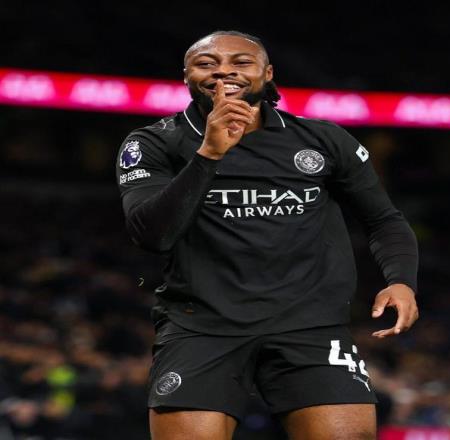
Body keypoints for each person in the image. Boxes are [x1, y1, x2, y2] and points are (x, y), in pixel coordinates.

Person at [115, 30, 419, 440]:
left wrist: (401, 280)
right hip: (201, 326)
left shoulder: (323, 139)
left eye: (241, 62)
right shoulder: (154, 142)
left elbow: (384, 219)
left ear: (268, 73)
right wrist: (209, 155)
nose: (223, 71)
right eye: (206, 63)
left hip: (309, 326)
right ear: (186, 76)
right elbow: (151, 235)